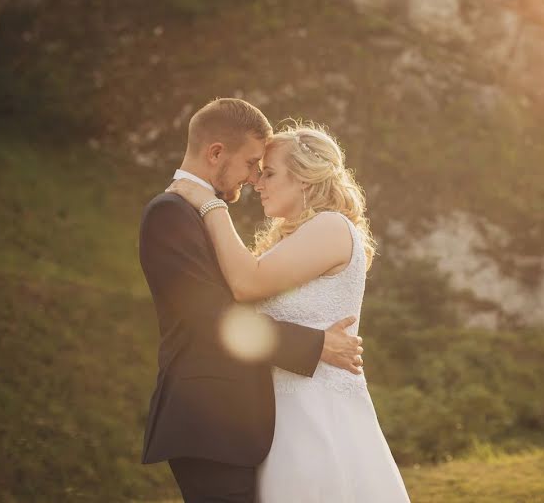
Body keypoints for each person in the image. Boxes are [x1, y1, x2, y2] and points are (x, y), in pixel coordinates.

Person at [167, 118, 410, 502]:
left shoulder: (331, 227)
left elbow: (247, 284)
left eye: (268, 174)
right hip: (279, 416)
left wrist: (209, 203)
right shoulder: (292, 239)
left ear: (305, 179)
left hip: (317, 417)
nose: (257, 184)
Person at [138, 98, 365, 503]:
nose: (253, 179)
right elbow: (210, 317)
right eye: (251, 165)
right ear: (216, 153)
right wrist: (314, 344)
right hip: (207, 420)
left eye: (265, 171)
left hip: (246, 424)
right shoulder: (171, 212)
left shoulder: (202, 212)